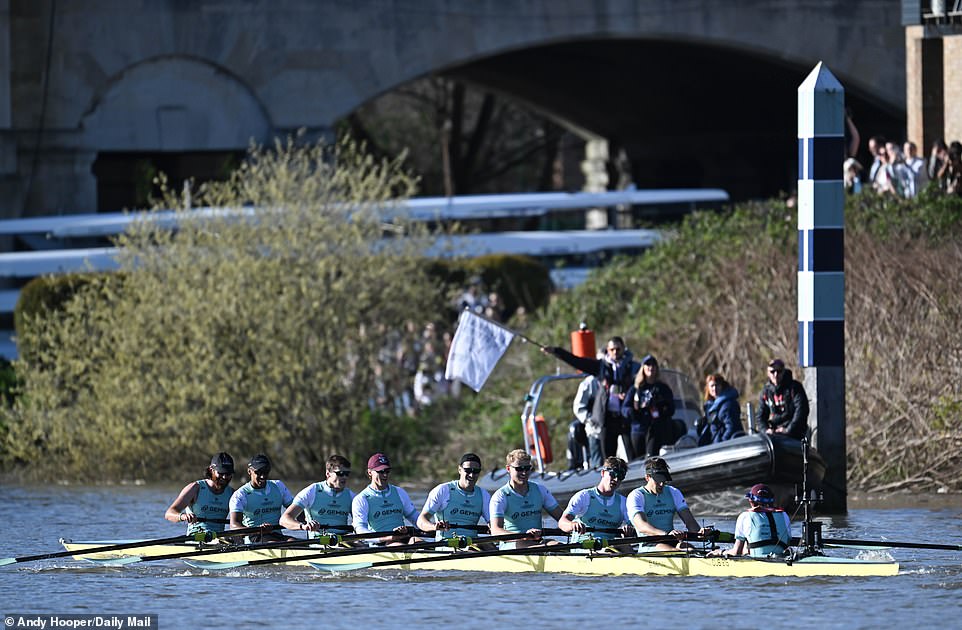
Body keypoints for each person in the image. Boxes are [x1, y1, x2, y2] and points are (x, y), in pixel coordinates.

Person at [543, 336, 640, 459]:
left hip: (626, 416)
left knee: (633, 455)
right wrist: (556, 351)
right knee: (609, 458)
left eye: (618, 349)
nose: (615, 352)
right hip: (607, 418)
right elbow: (576, 361)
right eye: (612, 349)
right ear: (608, 351)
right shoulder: (601, 366)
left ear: (623, 349)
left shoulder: (633, 367)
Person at [626, 457, 708, 551]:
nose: (661, 484)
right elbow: (641, 526)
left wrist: (700, 533)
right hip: (649, 543)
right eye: (658, 480)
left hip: (671, 540)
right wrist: (666, 534)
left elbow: (689, 521)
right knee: (676, 552)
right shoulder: (636, 495)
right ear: (647, 478)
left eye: (664, 481)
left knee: (690, 550)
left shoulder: (673, 492)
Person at [489, 449, 565, 548]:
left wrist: (576, 524)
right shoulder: (500, 496)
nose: (524, 473)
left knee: (558, 546)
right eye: (519, 469)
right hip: (513, 544)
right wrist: (523, 537)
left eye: (527, 468)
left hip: (537, 542)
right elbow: (495, 531)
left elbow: (563, 518)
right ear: (508, 469)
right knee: (542, 548)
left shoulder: (540, 490)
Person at [417, 453, 492, 543]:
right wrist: (434, 527)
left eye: (475, 471)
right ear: (459, 469)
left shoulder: (483, 495)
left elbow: (493, 524)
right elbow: (421, 520)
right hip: (447, 543)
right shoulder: (443, 490)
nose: (472, 475)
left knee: (489, 546)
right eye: (468, 470)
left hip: (472, 542)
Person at [557, 456, 632, 544]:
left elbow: (635, 526)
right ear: (603, 473)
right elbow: (562, 522)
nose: (616, 479)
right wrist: (572, 525)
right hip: (584, 547)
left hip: (609, 547)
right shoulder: (584, 496)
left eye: (620, 476)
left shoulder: (623, 502)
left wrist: (629, 529)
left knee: (626, 547)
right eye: (613, 474)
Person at [351, 452, 420, 545]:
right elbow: (360, 530)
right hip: (381, 543)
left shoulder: (399, 492)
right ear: (369, 472)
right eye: (380, 471)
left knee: (420, 542)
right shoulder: (361, 499)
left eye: (387, 471)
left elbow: (417, 519)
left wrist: (432, 526)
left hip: (403, 538)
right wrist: (388, 537)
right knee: (399, 546)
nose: (385, 475)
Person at [279, 454, 355, 537]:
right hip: (318, 541)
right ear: (328, 474)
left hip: (343, 540)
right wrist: (303, 526)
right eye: (340, 473)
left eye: (347, 474)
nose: (344, 477)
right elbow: (284, 520)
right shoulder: (312, 491)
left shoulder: (351, 496)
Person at [165, 452, 236, 536]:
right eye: (221, 473)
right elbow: (169, 514)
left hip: (220, 538)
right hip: (197, 537)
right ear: (211, 470)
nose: (224, 477)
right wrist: (183, 516)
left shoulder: (232, 494)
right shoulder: (195, 488)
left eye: (228, 474)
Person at [229, 453, 295, 542]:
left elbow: (297, 511)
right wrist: (257, 530)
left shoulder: (278, 486)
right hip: (254, 537)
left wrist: (306, 524)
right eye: (258, 472)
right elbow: (234, 525)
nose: (263, 476)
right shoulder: (240, 495)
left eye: (266, 471)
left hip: (276, 534)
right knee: (273, 543)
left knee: (295, 542)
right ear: (249, 471)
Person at [623, 354, 676, 457]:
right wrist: (632, 412)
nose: (650, 367)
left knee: (651, 458)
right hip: (638, 429)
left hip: (656, 429)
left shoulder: (662, 388)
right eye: (648, 365)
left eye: (653, 365)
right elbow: (625, 408)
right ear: (643, 368)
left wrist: (660, 408)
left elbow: (671, 408)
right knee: (638, 459)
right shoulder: (635, 389)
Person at [721, 484, 792, 558]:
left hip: (758, 561)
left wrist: (721, 552)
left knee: (746, 544)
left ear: (751, 501)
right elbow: (787, 542)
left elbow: (736, 552)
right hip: (782, 559)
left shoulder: (745, 516)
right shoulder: (784, 515)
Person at [755, 359, 810, 440]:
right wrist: (766, 430)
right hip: (774, 434)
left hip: (794, 434)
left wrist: (788, 430)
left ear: (783, 372)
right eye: (772, 372)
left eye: (779, 371)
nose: (776, 374)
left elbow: (801, 411)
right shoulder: (766, 392)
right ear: (768, 373)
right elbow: (760, 416)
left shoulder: (795, 388)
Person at [696, 374, 744, 445]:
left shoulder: (728, 405)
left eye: (717, 385)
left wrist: (721, 444)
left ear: (722, 386)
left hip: (728, 446)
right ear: (708, 388)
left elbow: (731, 427)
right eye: (712, 386)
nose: (714, 388)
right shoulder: (710, 406)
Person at [570, 373, 604, 468]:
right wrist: (591, 420)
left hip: (613, 430)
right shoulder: (589, 383)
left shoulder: (616, 376)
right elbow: (578, 407)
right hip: (595, 431)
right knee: (598, 463)